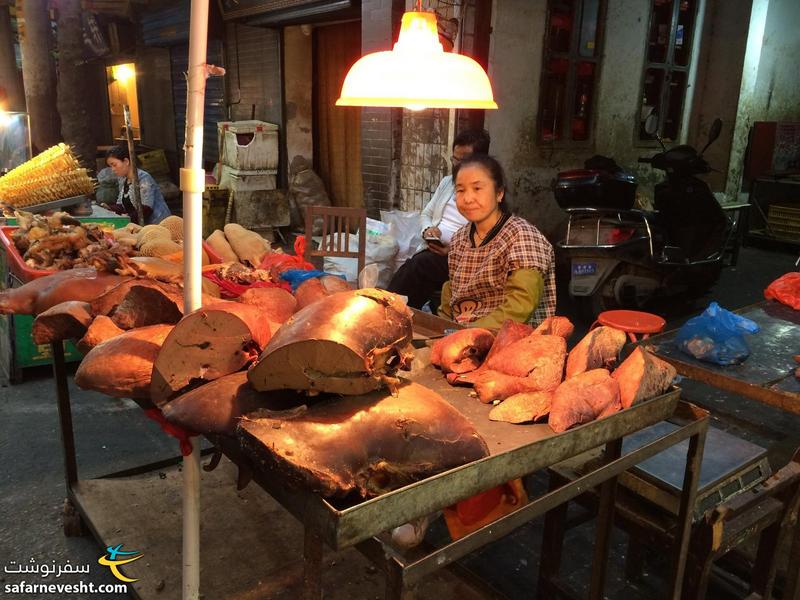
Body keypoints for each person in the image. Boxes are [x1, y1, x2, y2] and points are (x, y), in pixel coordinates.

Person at [439, 154, 556, 328]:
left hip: (512, 341)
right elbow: (452, 291)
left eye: (477, 188)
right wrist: (441, 328)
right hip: (460, 337)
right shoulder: (459, 239)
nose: (468, 198)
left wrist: (468, 333)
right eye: (461, 190)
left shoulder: (522, 237)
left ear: (499, 193)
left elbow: (520, 306)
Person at [387, 129, 490, 309]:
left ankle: (390, 308)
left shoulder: (488, 192)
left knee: (419, 266)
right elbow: (426, 214)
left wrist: (453, 250)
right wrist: (428, 229)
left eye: (463, 160)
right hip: (433, 249)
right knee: (415, 268)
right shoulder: (447, 183)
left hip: (464, 261)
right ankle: (401, 311)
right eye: (454, 159)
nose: (457, 165)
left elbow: (488, 238)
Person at [104, 145, 170, 225]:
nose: (113, 169)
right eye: (111, 166)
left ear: (126, 161)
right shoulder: (123, 179)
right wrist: (108, 207)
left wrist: (128, 218)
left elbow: (146, 209)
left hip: (158, 225)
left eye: (114, 165)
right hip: (140, 226)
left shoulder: (144, 178)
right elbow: (122, 205)